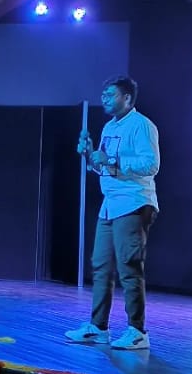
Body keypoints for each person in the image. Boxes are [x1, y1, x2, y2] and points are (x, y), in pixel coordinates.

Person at [65, 75, 160, 351]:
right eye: (103, 94)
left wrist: (112, 159)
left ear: (127, 98)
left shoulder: (142, 125)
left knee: (129, 267)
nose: (104, 99)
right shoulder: (108, 127)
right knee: (101, 265)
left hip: (133, 203)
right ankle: (98, 328)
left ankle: (138, 331)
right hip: (110, 205)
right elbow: (104, 167)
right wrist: (90, 155)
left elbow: (151, 164)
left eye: (110, 95)